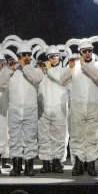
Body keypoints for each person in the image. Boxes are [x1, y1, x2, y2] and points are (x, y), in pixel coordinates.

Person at [0, 39, 45, 177]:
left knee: (30, 139)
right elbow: (1, 84)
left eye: (28, 54)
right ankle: (16, 166)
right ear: (19, 55)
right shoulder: (12, 70)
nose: (26, 57)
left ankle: (29, 166)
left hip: (30, 109)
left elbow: (37, 78)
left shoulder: (35, 69)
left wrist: (25, 66)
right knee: (15, 139)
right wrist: (9, 70)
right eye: (23, 55)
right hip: (15, 109)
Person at [65, 37, 98, 176]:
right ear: (80, 52)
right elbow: (61, 80)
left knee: (92, 135)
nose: (87, 53)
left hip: (92, 105)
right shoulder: (74, 66)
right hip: (77, 105)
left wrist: (84, 65)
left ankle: (91, 164)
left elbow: (97, 75)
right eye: (85, 51)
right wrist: (69, 68)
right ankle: (78, 163)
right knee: (77, 135)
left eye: (89, 51)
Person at [36, 45, 70, 174]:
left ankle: (57, 162)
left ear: (59, 57)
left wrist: (49, 69)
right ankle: (45, 162)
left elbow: (60, 79)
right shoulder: (42, 72)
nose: (54, 58)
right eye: (51, 57)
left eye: (56, 56)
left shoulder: (64, 71)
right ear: (47, 58)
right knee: (43, 137)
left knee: (59, 137)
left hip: (59, 109)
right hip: (43, 109)